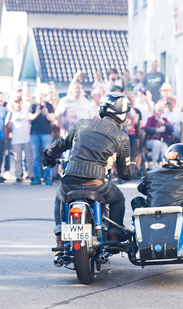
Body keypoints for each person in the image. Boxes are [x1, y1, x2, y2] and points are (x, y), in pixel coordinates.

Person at [43, 92, 132, 249]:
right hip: (97, 184)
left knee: (59, 197)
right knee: (119, 199)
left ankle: (60, 239)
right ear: (122, 114)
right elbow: (125, 174)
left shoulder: (81, 124)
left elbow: (61, 143)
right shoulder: (121, 136)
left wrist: (48, 156)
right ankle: (113, 235)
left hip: (69, 183)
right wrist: (125, 169)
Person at [28, 85, 55, 185]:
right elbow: (30, 117)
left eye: (42, 94)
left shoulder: (48, 105)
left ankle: (47, 177)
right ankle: (37, 177)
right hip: (34, 134)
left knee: (47, 155)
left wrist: (46, 113)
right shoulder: (33, 105)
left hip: (46, 134)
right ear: (36, 95)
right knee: (35, 156)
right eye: (39, 95)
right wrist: (37, 113)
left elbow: (52, 118)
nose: (41, 96)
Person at [5, 96, 32, 183]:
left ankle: (31, 174)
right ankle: (18, 176)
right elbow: (7, 126)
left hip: (27, 139)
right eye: (16, 102)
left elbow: (31, 122)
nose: (17, 104)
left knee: (29, 159)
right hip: (16, 140)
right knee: (17, 159)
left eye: (19, 102)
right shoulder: (11, 113)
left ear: (21, 103)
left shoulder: (26, 112)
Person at [144, 103, 173, 169]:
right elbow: (146, 128)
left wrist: (164, 123)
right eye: (158, 111)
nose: (159, 113)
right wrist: (157, 130)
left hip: (162, 141)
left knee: (165, 149)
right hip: (151, 140)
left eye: (161, 111)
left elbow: (171, 128)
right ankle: (154, 163)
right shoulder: (151, 119)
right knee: (157, 144)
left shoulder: (164, 119)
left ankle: (164, 166)